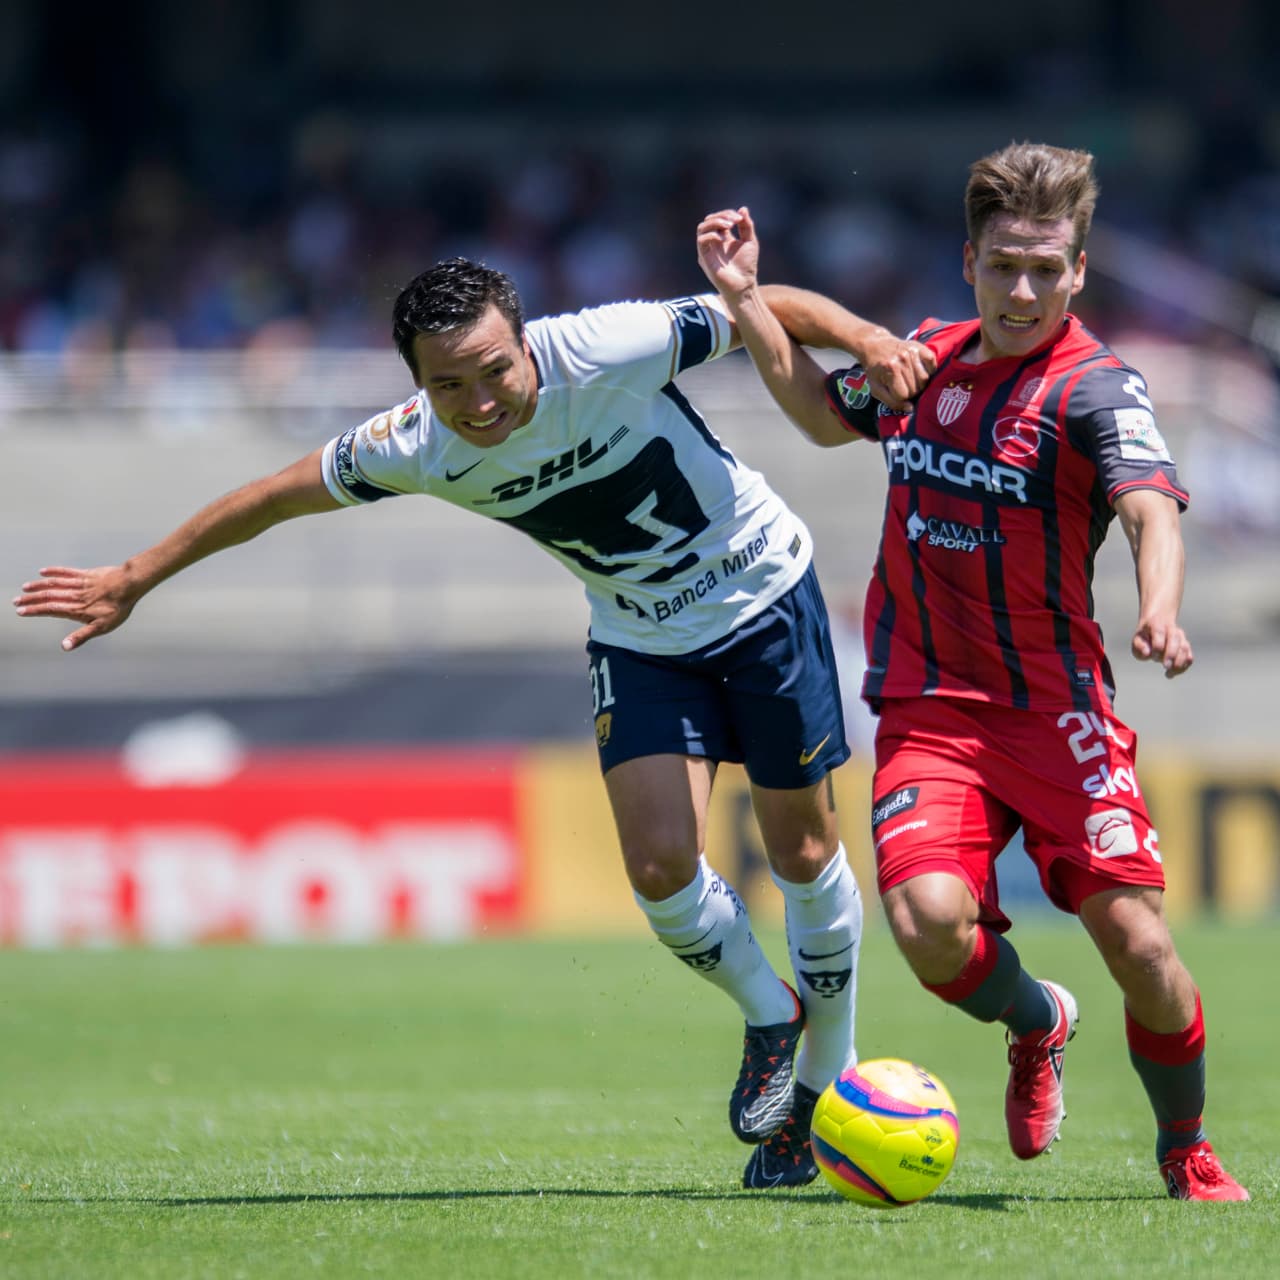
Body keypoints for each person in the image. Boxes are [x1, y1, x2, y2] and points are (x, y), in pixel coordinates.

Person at [13, 255, 929, 1189]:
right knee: (658, 868)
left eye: (495, 369)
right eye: (448, 384)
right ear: (416, 386)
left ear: (526, 341)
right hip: (641, 639)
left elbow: (761, 305)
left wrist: (866, 339)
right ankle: (773, 1019)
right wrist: (139, 576)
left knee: (805, 855)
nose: (480, 401)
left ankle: (825, 1078)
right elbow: (268, 501)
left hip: (763, 599)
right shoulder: (412, 443)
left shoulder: (604, 346)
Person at [696, 141, 1249, 1201]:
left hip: (1055, 712)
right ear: (968, 261)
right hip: (928, 711)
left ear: (1078, 271)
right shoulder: (923, 360)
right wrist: (744, 299)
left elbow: (1146, 508)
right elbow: (817, 412)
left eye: (1046, 267)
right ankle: (1035, 1018)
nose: (1024, 289)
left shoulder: (1095, 386)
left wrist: (1162, 608)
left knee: (1137, 939)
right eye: (1004, 265)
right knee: (926, 924)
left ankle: (1183, 1144)